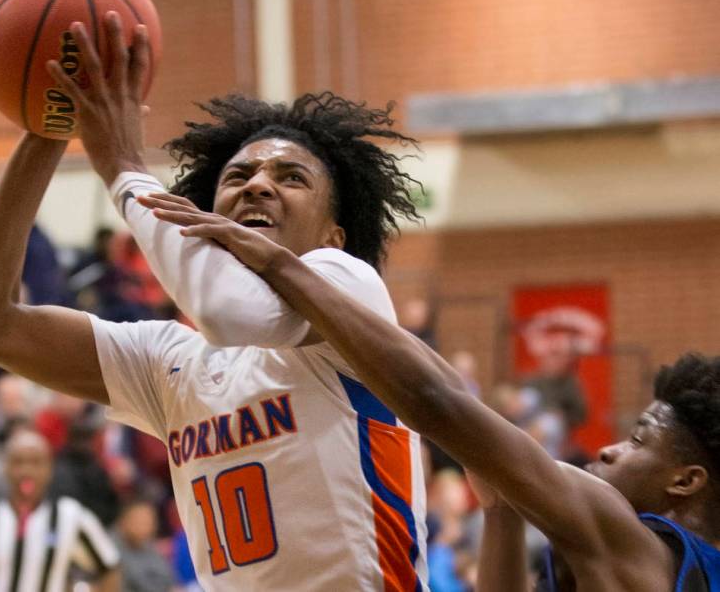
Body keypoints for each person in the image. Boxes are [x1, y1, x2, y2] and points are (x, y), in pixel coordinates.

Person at [0, 10, 428, 590]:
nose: (258, 183)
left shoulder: (348, 285)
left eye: (291, 177)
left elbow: (233, 313)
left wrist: (124, 168)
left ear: (333, 235)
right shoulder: (170, 363)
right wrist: (52, 120)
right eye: (238, 174)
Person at [140, 198, 720, 590]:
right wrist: (500, 515)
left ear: (686, 480)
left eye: (640, 440)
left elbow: (436, 401)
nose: (614, 450)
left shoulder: (643, 551)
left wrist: (282, 266)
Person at [0, 427, 119, 592]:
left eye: (35, 462)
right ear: (5, 467)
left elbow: (110, 567)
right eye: (18, 462)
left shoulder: (72, 516)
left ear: (50, 469)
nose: (26, 470)